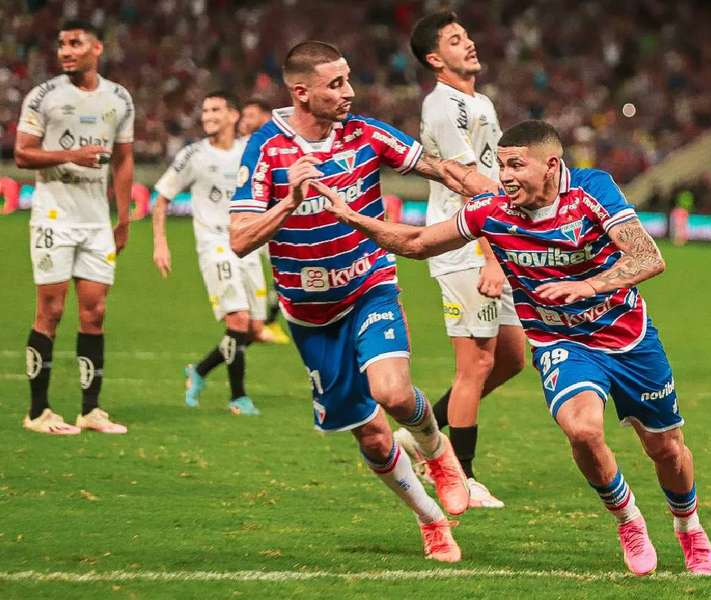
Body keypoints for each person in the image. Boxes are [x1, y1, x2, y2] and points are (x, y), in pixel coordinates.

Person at [316, 120, 711, 576]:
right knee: (582, 429)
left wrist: (588, 285)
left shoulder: (591, 190)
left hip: (628, 338)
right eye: (499, 165)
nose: (504, 176)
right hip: (560, 341)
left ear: (551, 165)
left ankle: (689, 528)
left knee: (665, 448)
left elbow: (649, 256)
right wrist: (352, 218)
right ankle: (628, 520)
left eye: (515, 165)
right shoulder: (491, 211)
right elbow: (417, 242)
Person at [228, 41, 498, 563]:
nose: (349, 92)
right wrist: (288, 203)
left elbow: (440, 168)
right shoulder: (267, 147)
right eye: (335, 84)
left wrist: (495, 191)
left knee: (393, 393)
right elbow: (239, 239)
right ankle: (431, 521)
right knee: (373, 439)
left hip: (368, 286)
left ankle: (438, 452)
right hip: (310, 317)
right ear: (300, 92)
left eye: (348, 79)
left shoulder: (366, 133)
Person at [401, 11, 526, 508]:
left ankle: (421, 434)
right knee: (475, 364)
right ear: (436, 59)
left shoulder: (480, 102)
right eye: (456, 40)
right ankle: (460, 474)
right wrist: (493, 258)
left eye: (468, 35)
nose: (470, 43)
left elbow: (497, 181)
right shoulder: (442, 106)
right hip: (465, 248)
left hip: (494, 243)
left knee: (513, 357)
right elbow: (474, 192)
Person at [15, 19, 133, 435]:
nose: (65, 51)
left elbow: (123, 159)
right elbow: (22, 155)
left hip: (96, 221)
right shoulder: (43, 96)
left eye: (74, 43)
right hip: (54, 217)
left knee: (95, 313)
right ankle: (38, 411)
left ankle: (90, 410)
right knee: (50, 310)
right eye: (61, 44)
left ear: (96, 48)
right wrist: (70, 157)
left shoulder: (119, 98)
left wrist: (123, 217)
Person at [152, 91, 263, 416]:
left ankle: (199, 370)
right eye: (204, 110)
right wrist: (160, 243)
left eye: (215, 109)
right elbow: (161, 198)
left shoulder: (249, 151)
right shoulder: (193, 155)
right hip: (215, 245)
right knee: (238, 320)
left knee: (254, 328)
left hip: (249, 245)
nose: (208, 116)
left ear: (233, 115)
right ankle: (238, 398)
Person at [236, 98, 290, 345]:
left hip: (274, 223)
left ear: (266, 116)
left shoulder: (278, 145)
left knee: (286, 272)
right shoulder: (241, 147)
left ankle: (266, 321)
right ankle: (253, 323)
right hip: (246, 224)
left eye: (249, 115)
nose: (243, 121)